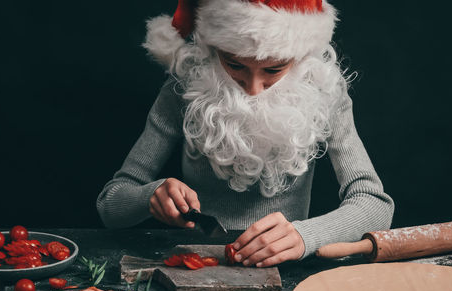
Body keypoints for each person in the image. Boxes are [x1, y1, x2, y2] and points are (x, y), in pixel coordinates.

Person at [97, 0, 394, 267]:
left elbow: (375, 205)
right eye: (234, 64)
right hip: (196, 264)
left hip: (286, 267)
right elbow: (110, 205)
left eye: (274, 70)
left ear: (302, 57)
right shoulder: (184, 89)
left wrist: (307, 235)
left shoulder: (323, 92)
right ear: (213, 49)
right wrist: (151, 195)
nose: (252, 89)